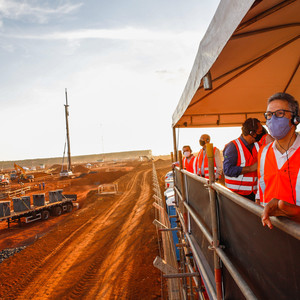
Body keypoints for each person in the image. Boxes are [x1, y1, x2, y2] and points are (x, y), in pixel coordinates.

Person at [258, 92, 300, 228]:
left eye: (280, 113)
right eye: (269, 115)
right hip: (271, 229)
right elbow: (262, 191)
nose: (272, 119)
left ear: (295, 119)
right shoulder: (263, 152)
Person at [223, 118, 264, 201]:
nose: (262, 134)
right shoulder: (232, 146)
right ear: (252, 133)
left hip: (254, 195)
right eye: (259, 132)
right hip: (235, 195)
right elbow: (227, 170)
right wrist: (250, 168)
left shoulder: (258, 146)